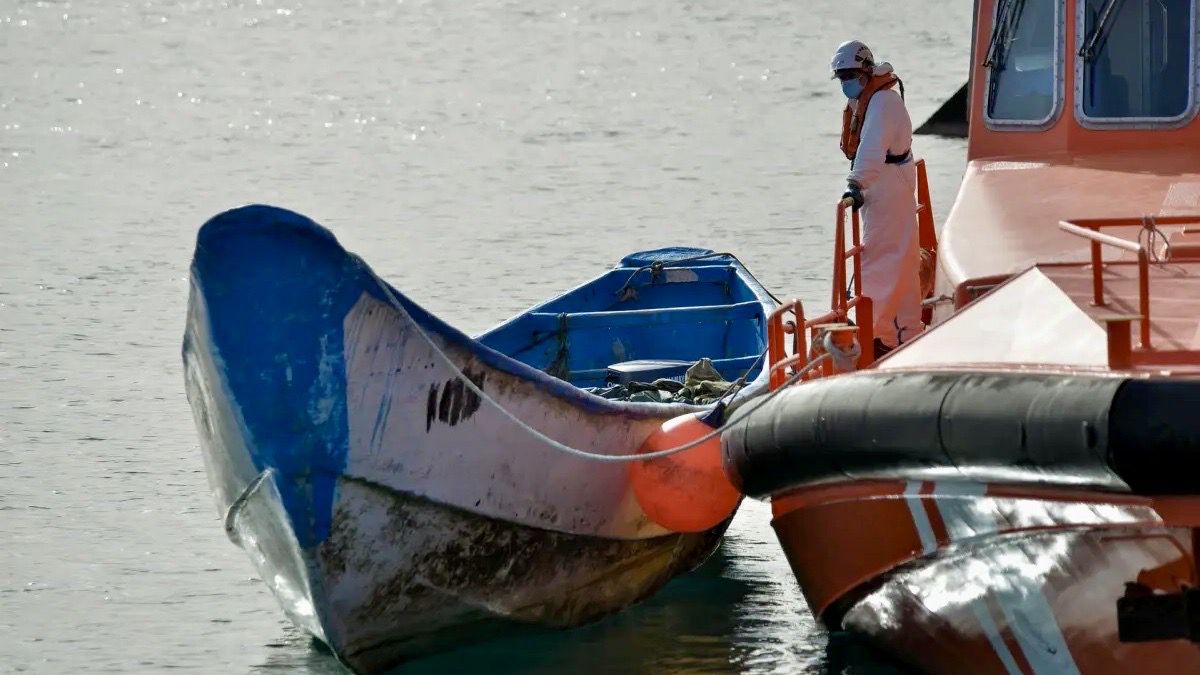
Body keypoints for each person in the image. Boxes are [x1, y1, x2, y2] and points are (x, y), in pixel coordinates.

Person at [831, 40, 923, 356]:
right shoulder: (873, 100)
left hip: (886, 184)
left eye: (850, 75)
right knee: (901, 257)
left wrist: (854, 186)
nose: (846, 83)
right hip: (887, 181)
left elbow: (870, 151)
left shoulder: (883, 103)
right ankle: (907, 332)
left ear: (867, 71)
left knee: (879, 260)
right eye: (841, 77)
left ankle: (878, 336)